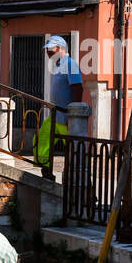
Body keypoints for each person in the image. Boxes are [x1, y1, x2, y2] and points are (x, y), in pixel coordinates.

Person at [35, 35, 85, 167]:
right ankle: (45, 169)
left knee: (73, 148)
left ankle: (81, 175)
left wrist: (73, 114)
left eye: (51, 50)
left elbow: (78, 89)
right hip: (55, 115)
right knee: (41, 140)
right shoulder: (57, 66)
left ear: (61, 49)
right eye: (47, 50)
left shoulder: (70, 64)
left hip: (65, 116)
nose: (48, 52)